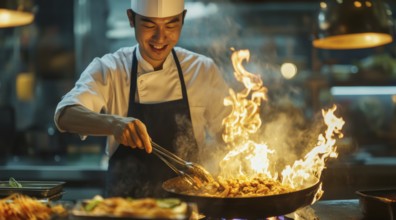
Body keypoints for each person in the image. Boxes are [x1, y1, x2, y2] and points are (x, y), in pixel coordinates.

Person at [54, 0, 230, 197]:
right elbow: (65, 115)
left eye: (171, 24)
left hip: (192, 209)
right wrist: (114, 124)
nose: (160, 37)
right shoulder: (111, 69)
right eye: (149, 24)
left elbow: (230, 134)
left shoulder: (202, 69)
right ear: (131, 18)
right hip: (125, 209)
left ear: (183, 19)